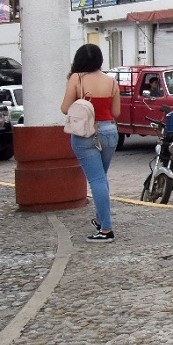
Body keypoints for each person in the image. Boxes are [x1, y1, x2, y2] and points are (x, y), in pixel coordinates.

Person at [60, 43, 121, 243]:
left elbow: (65, 108)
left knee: (96, 180)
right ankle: (101, 218)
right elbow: (116, 113)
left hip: (86, 133)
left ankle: (106, 230)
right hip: (110, 132)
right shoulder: (111, 81)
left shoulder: (77, 78)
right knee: (101, 178)